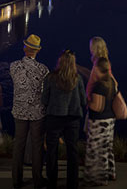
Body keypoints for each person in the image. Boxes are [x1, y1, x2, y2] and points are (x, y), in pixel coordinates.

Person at [41, 49, 86, 189]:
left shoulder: (50, 77)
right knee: (72, 151)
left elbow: (44, 99)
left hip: (54, 117)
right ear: (73, 63)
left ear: (59, 62)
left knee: (51, 151)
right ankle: (72, 183)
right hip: (72, 119)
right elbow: (83, 101)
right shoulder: (77, 79)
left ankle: (52, 182)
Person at [10, 34, 49, 189]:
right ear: (37, 51)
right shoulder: (43, 70)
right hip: (37, 113)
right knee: (37, 146)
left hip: (19, 111)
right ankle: (37, 180)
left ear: (25, 48)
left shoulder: (13, 66)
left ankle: (16, 180)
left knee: (18, 145)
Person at [83, 57, 118, 186]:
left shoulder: (99, 85)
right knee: (107, 148)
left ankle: (98, 178)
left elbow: (97, 107)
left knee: (97, 151)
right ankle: (110, 172)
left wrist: (86, 100)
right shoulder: (111, 82)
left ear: (98, 69)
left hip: (99, 122)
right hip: (110, 120)